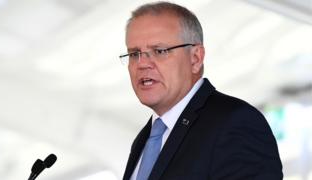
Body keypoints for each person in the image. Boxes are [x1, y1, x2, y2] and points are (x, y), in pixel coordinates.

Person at [120, 2, 283, 180]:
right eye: (134, 54)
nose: (142, 64)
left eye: (159, 51)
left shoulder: (234, 122)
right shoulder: (144, 139)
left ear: (195, 58)